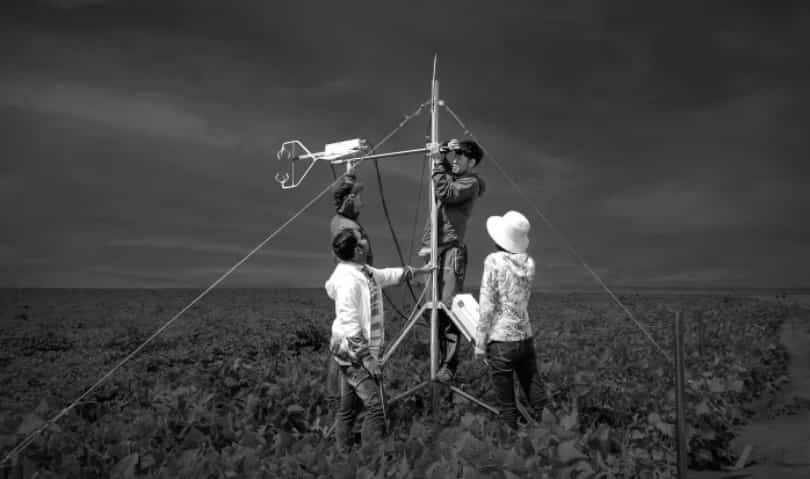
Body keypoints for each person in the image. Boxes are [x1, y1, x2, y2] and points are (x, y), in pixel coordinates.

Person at [326, 229, 430, 453]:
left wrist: (418, 272)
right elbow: (350, 323)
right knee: (377, 408)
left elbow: (385, 275)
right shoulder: (347, 281)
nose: (366, 239)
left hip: (354, 355)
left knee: (348, 408)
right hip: (354, 356)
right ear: (357, 249)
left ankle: (343, 453)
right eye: (361, 237)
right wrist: (366, 359)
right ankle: (373, 456)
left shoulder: (362, 271)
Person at [418, 138, 486, 382]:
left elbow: (445, 191)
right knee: (430, 308)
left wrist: (438, 160)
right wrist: (443, 155)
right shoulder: (454, 175)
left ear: (472, 162)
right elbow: (445, 177)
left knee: (446, 307)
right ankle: (436, 362)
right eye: (453, 156)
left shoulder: (471, 183)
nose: (455, 160)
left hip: (451, 250)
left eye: (460, 157)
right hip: (434, 249)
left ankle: (449, 365)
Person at [474, 210, 545, 428]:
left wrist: (480, 343)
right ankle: (549, 431)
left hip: (501, 339)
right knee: (534, 388)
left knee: (507, 404)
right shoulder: (529, 263)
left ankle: (511, 445)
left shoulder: (493, 261)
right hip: (525, 336)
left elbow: (487, 305)